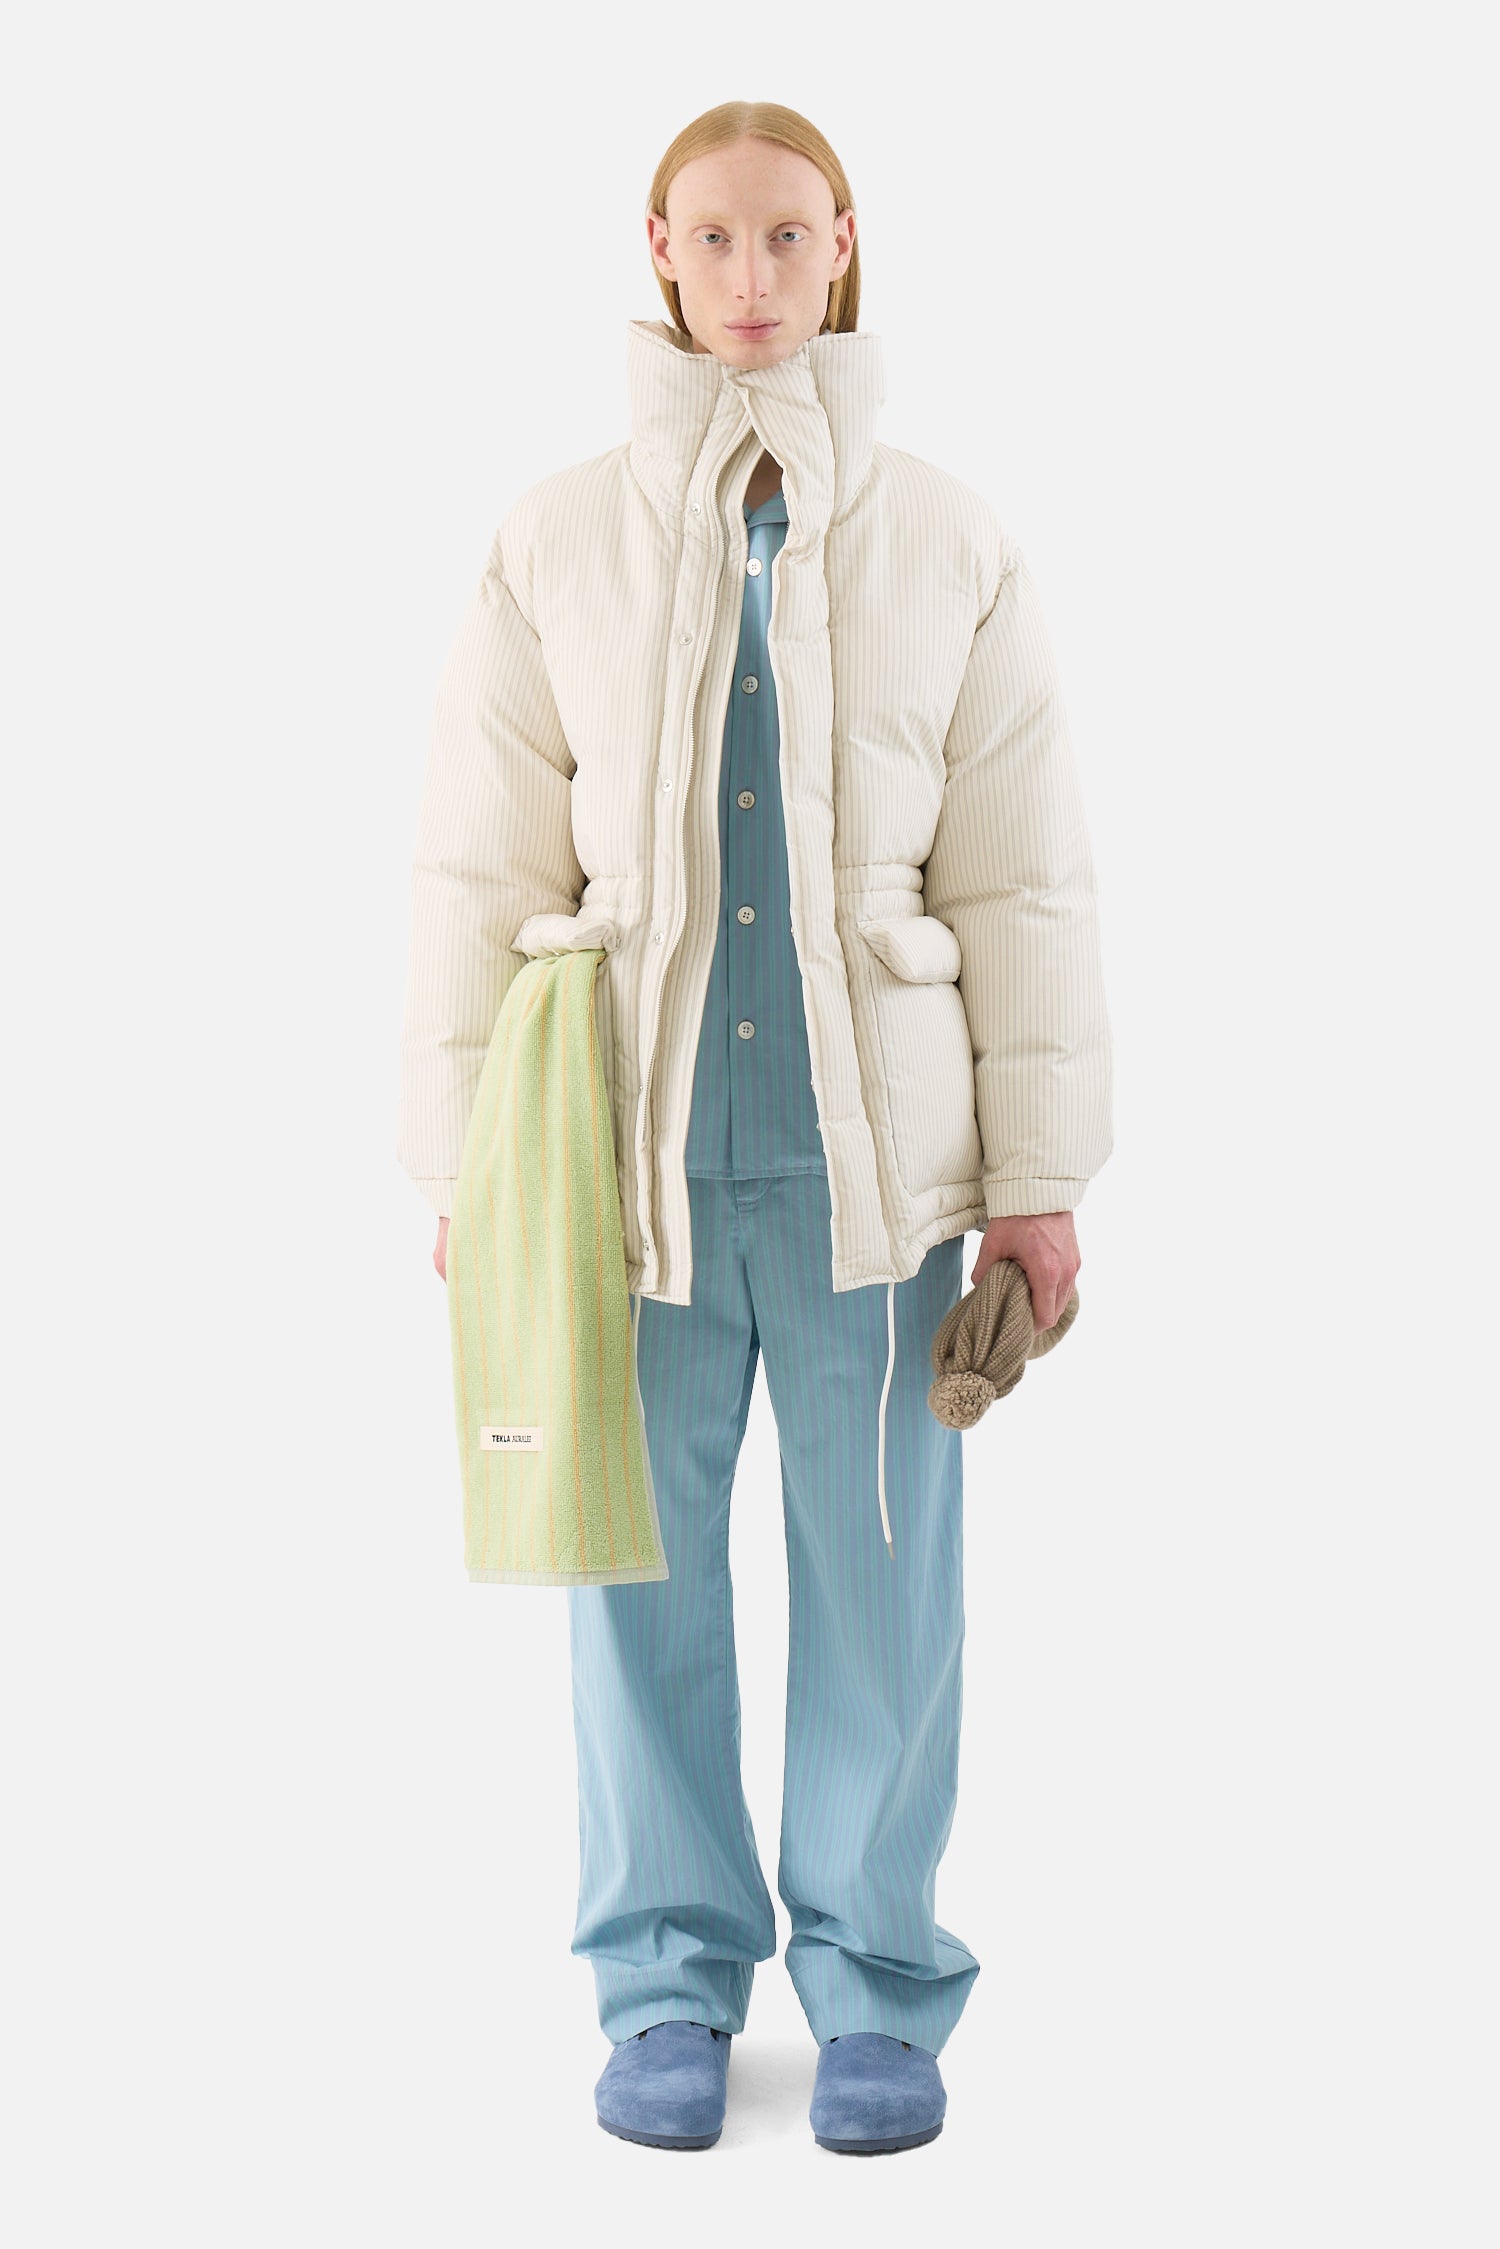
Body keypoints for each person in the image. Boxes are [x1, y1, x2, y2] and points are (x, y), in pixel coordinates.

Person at [396, 99, 1113, 2154]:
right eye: (713, 237)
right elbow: (472, 868)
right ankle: (664, 1983)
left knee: (885, 1585)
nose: (754, 275)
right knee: (634, 1583)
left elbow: (1025, 879)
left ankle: (878, 1985)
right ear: (660, 250)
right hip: (615, 1168)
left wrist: (1040, 1187)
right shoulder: (551, 540)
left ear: (845, 244)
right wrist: (464, 1168)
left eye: (790, 234)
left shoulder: (953, 540)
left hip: (884, 1181)